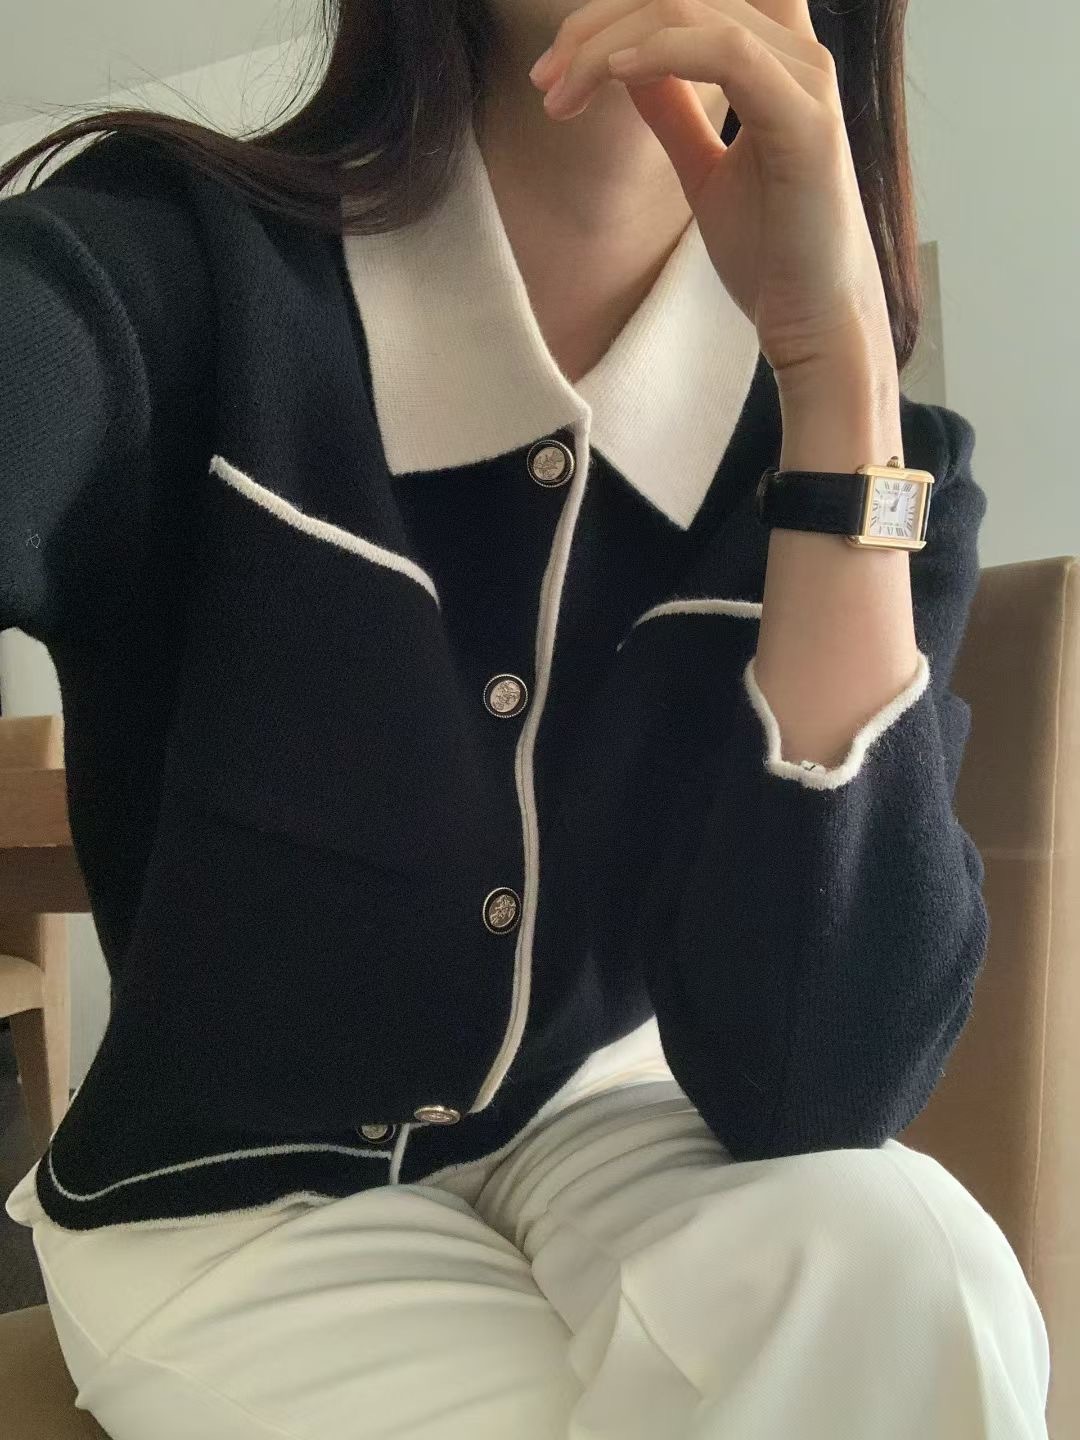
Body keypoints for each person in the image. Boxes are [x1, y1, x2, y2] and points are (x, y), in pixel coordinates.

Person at [0, 1, 1051, 1436]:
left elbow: (823, 1084)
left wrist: (836, 377)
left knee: (916, 1278)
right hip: (225, 1195)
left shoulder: (874, 462)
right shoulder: (167, 269)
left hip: (625, 1124)